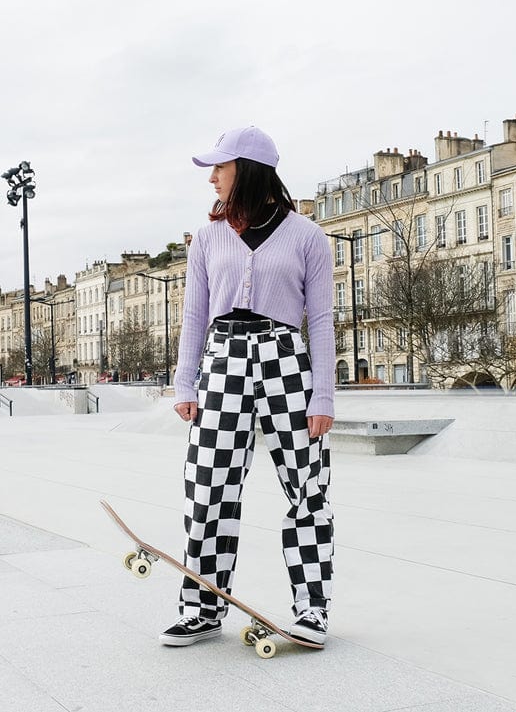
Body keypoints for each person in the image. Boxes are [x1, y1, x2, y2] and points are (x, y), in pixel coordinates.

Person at [162, 125, 336, 648]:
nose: (212, 177)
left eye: (221, 166)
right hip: (222, 365)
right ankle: (201, 608)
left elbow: (320, 320)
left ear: (249, 169)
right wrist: (184, 382)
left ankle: (311, 609)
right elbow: (194, 315)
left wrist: (323, 395)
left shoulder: (307, 236)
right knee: (208, 489)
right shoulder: (207, 237)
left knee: (307, 489)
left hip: (286, 363)